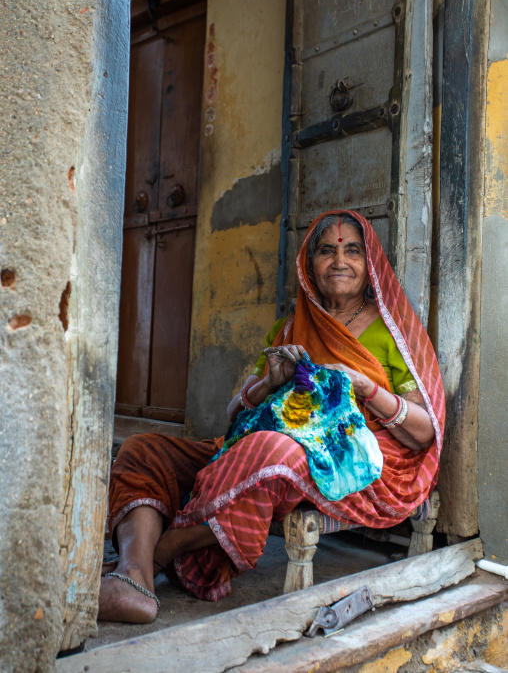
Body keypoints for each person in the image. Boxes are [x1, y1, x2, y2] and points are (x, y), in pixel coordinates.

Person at [99, 210, 444, 623]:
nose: (339, 261)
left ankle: (164, 550)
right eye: (326, 251)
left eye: (352, 250)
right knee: (144, 449)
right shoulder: (290, 328)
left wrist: (365, 388)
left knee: (273, 449)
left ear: (370, 266)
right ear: (308, 265)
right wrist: (268, 384)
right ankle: (133, 578)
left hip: (351, 460)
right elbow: (235, 414)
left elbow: (424, 433)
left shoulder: (394, 332)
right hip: (262, 446)